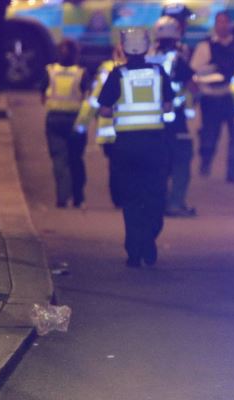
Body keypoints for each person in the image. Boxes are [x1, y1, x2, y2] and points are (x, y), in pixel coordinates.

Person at [97, 28, 174, 267]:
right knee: (155, 196)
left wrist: (121, 111)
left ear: (123, 48)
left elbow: (104, 109)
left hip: (126, 146)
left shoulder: (117, 74)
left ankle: (133, 251)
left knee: (131, 199)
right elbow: (169, 106)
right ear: (146, 47)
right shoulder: (159, 73)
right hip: (154, 145)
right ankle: (148, 240)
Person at [149, 16, 198, 217]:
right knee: (181, 162)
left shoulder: (148, 59)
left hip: (152, 120)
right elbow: (192, 86)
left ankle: (156, 203)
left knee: (158, 164)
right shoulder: (177, 60)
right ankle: (176, 204)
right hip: (176, 120)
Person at [190, 11, 234, 183]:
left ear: (230, 24)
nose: (222, 25)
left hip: (233, 98)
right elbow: (195, 71)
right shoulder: (205, 46)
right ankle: (205, 162)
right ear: (215, 25)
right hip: (211, 97)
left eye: (225, 22)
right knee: (209, 135)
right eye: (219, 22)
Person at [75, 46, 125, 208]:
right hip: (137, 131)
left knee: (116, 166)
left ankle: (119, 198)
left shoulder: (107, 71)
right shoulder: (144, 70)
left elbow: (94, 101)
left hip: (110, 132)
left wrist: (81, 124)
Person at [42, 39, 89, 208]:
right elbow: (86, 98)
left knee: (59, 159)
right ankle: (78, 197)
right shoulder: (81, 73)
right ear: (76, 54)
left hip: (54, 120)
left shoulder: (50, 71)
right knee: (76, 159)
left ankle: (62, 197)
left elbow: (43, 96)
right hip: (75, 120)